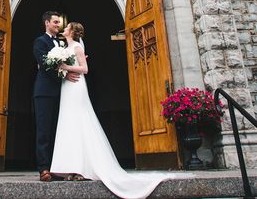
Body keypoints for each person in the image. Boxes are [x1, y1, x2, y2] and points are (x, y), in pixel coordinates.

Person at [50, 22, 184, 199]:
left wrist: (66, 67)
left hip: (76, 87)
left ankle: (84, 167)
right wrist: (59, 69)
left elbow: (85, 69)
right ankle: (72, 167)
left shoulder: (76, 47)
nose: (64, 29)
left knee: (79, 120)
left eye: (67, 27)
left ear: (73, 32)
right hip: (67, 86)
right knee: (68, 123)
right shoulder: (63, 47)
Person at [33, 11, 79, 182]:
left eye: (59, 22)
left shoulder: (62, 43)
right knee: (44, 130)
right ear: (46, 23)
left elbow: (69, 60)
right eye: (55, 22)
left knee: (59, 130)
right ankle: (44, 168)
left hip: (63, 92)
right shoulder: (40, 42)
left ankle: (58, 167)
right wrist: (64, 75)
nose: (58, 25)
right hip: (44, 92)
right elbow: (45, 65)